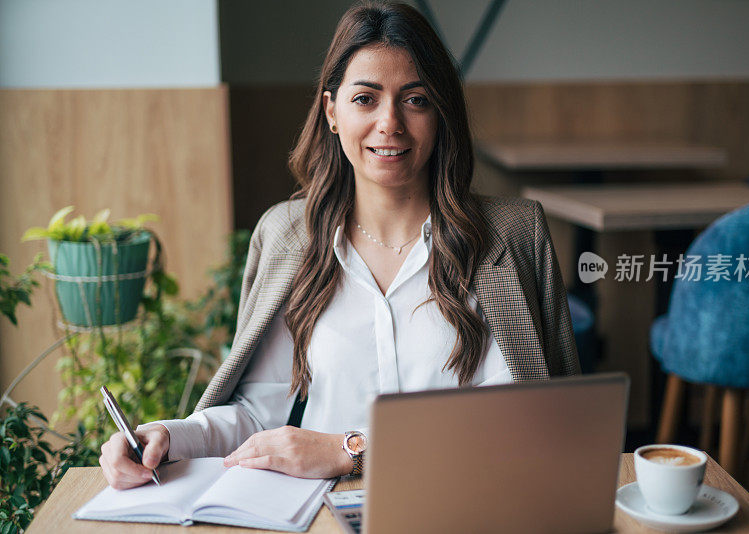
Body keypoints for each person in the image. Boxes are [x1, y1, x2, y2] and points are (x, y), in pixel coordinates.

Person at [99, 1, 579, 490]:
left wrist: (349, 450)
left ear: (440, 115)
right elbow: (257, 411)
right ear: (332, 111)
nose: (389, 123)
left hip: (470, 499)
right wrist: (168, 437)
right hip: (320, 509)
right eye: (366, 99)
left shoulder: (510, 236)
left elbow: (517, 421)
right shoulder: (287, 237)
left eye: (416, 100)